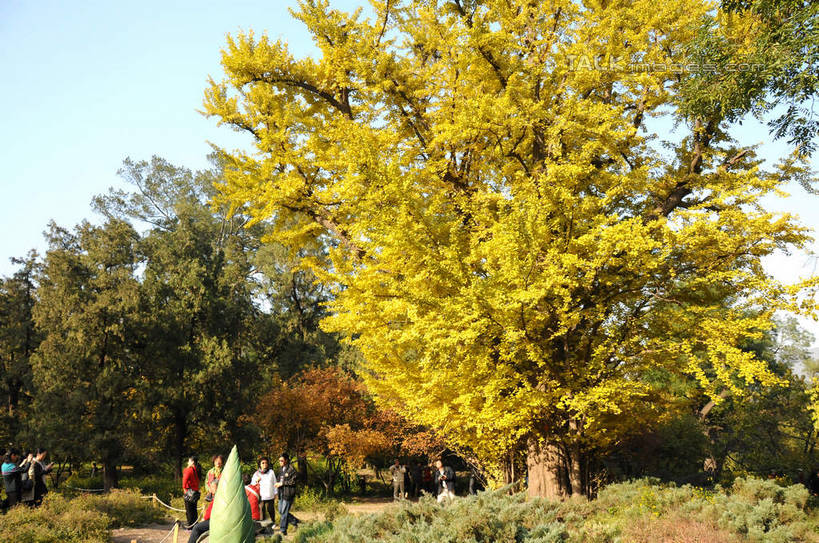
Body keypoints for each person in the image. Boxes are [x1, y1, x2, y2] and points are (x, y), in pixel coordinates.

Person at [274, 453, 300, 536]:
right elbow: (279, 479)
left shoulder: (292, 470)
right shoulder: (281, 469)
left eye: (282, 460)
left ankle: (283, 530)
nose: (280, 462)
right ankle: (294, 521)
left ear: (286, 460)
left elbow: (293, 481)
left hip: (288, 494)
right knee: (281, 511)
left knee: (284, 512)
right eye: (279, 461)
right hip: (281, 493)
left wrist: (282, 483)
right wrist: (277, 484)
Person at [251, 456, 277, 523]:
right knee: (261, 512)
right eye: (263, 463)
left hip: (270, 495)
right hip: (261, 496)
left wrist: (276, 493)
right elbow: (252, 485)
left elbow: (275, 483)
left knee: (271, 510)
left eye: (266, 463)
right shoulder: (256, 474)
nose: (265, 464)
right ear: (260, 464)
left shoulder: (271, 472)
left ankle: (273, 522)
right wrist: (257, 481)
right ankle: (263, 525)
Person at [182, 456, 201, 528]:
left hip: (189, 491)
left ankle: (190, 525)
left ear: (192, 462)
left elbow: (184, 482)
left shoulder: (188, 470)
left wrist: (184, 490)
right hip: (195, 491)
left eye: (189, 461)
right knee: (194, 509)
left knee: (189, 509)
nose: (188, 462)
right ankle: (195, 524)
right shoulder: (197, 469)